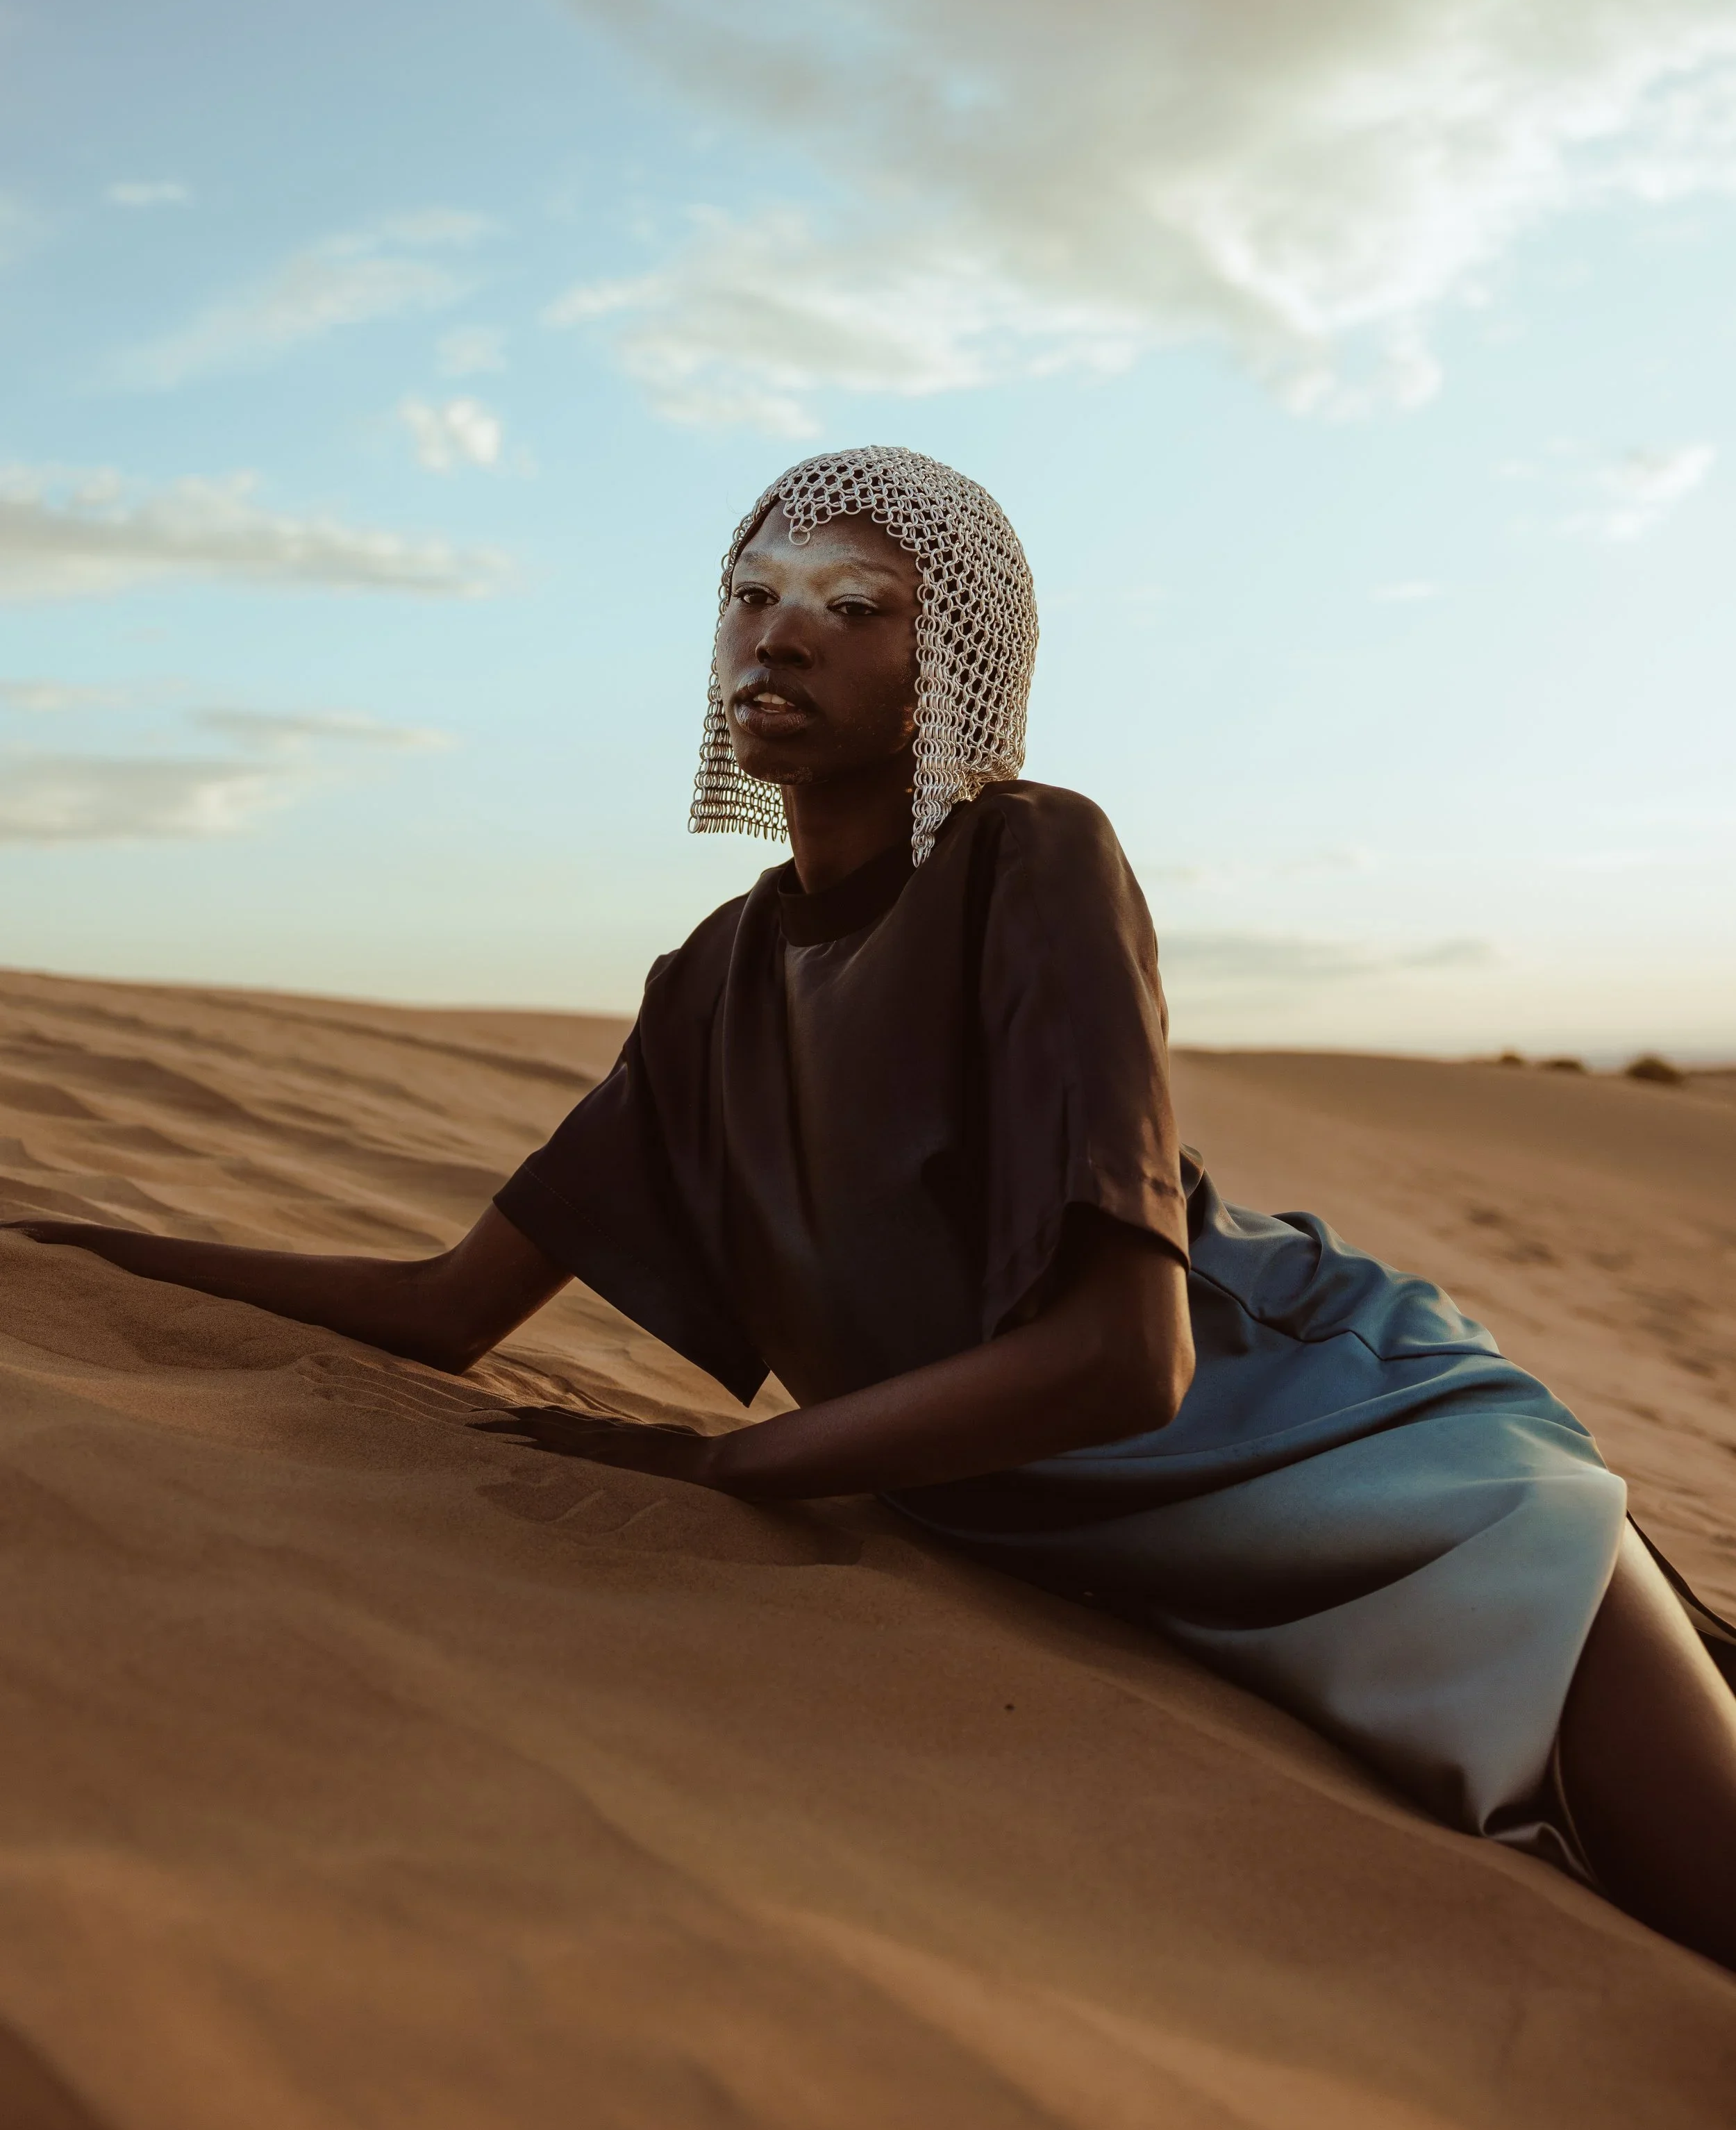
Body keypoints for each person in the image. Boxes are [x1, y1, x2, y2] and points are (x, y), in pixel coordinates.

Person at [12, 445, 1735, 1967]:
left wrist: (741, 1463)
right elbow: (445, 1309)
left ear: (951, 666)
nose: (778, 636)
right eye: (748, 597)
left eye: (854, 604)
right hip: (1068, 1538)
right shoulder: (712, 981)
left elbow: (1123, 1359)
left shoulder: (1030, 858)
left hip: (1369, 1468)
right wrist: (63, 1238)